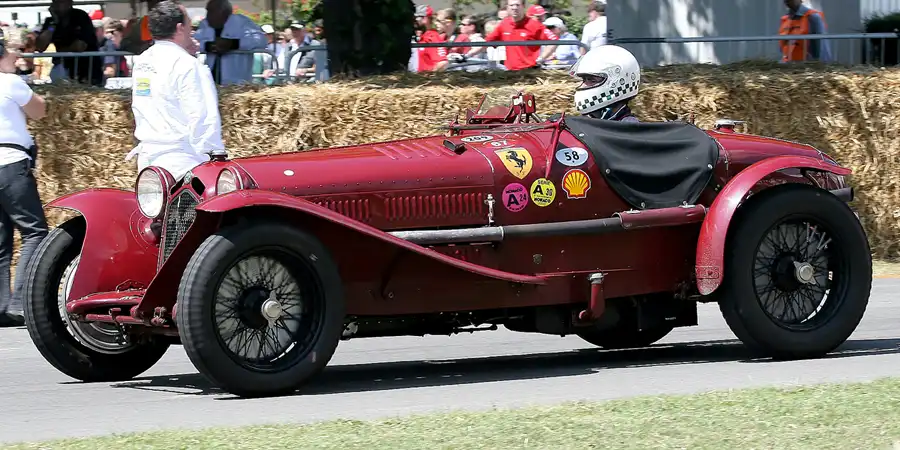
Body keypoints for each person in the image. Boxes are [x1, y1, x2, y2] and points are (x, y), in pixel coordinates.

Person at [125, 0, 226, 181]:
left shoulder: (142, 61)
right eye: (189, 25)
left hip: (149, 160)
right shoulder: (187, 65)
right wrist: (215, 158)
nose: (191, 30)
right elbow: (202, 116)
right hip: (182, 162)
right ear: (180, 28)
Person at [0, 35, 48, 327]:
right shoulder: (10, 83)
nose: (16, 59)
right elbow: (40, 111)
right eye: (11, 53)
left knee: (1, 242)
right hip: (10, 164)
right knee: (34, 232)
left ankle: (1, 306)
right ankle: (19, 303)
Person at [193, 0, 268, 85]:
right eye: (208, 11)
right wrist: (208, 46)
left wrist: (233, 44)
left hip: (237, 84)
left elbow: (261, 40)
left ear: (224, 12)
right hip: (211, 82)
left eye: (211, 11)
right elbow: (195, 42)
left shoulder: (242, 22)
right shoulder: (205, 24)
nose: (207, 15)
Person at [568, 45, 640, 122]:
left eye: (592, 80)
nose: (583, 85)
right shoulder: (585, 123)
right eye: (584, 80)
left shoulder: (629, 129)